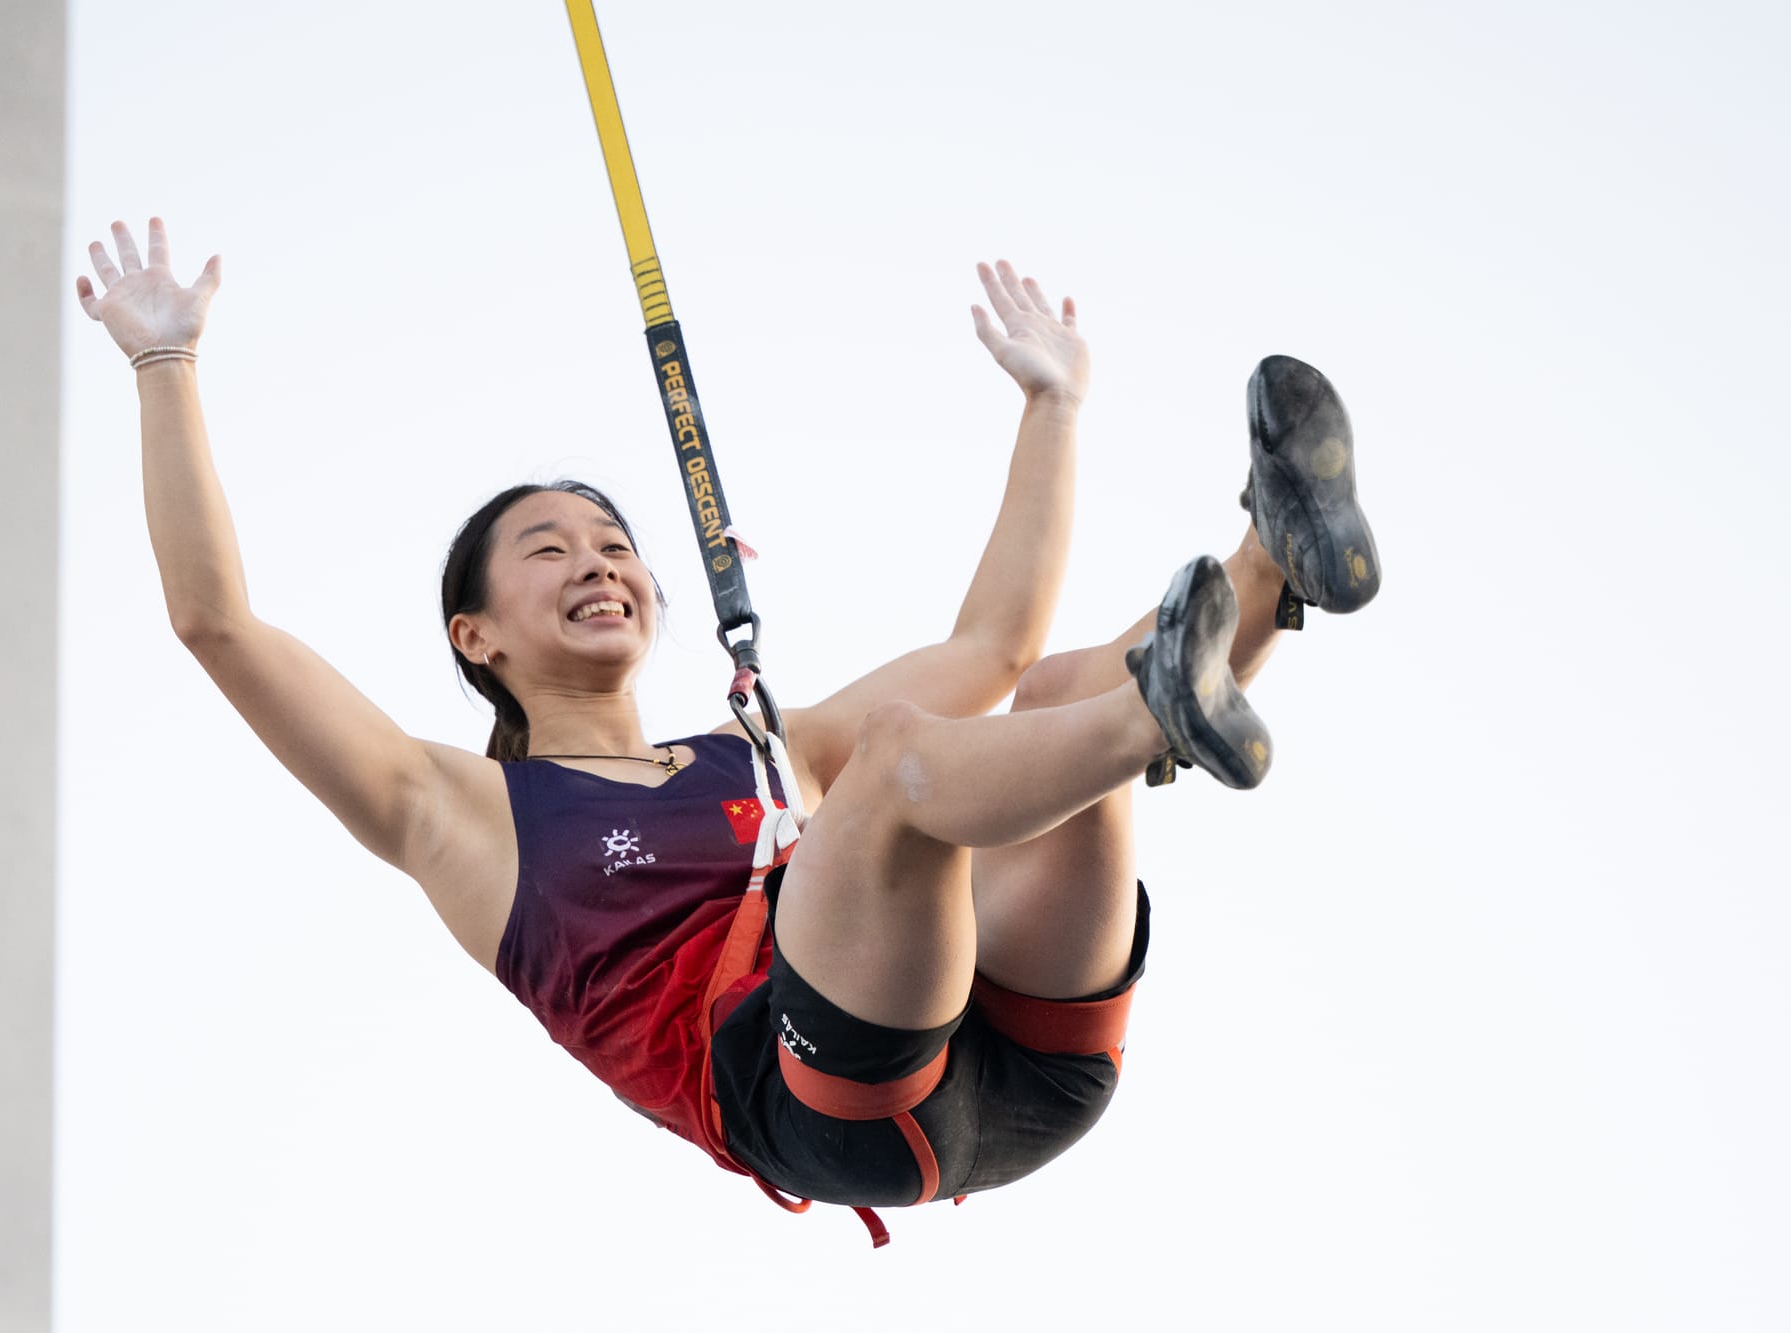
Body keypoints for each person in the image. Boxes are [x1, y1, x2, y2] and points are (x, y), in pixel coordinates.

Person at [77, 217, 1380, 1241]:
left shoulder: (759, 749)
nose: (598, 563)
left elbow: (994, 644)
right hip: (826, 1098)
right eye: (548, 549)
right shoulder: (450, 812)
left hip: (1027, 1058)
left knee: (1045, 700)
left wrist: (1054, 406)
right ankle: (1167, 707)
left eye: (613, 544)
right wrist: (162, 364)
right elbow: (217, 624)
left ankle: (1275, 564)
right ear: (474, 636)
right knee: (902, 766)